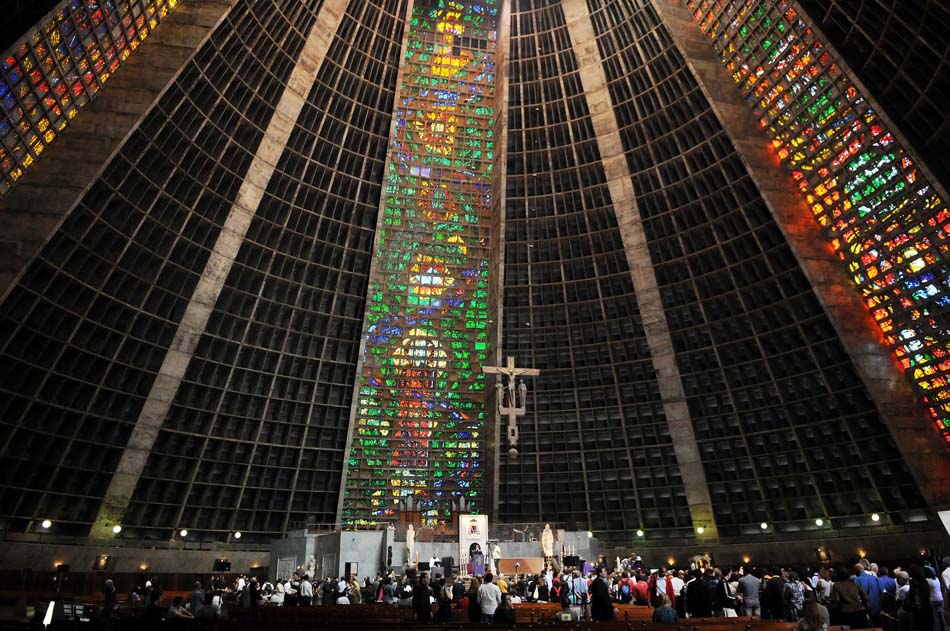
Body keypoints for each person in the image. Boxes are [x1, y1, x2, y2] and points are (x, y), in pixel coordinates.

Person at [925, 566, 946, 631]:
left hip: (933, 600)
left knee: (935, 617)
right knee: (941, 616)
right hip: (940, 598)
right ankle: (944, 628)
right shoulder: (936, 578)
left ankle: (937, 629)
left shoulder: (927, 580)